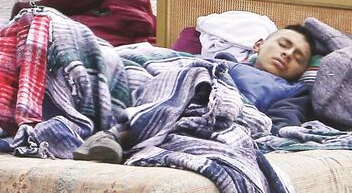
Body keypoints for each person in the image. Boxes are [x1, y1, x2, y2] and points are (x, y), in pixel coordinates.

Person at [74, 25, 316, 162]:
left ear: (301, 72)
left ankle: (114, 137)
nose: (287, 54)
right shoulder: (223, 61)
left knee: (192, 97)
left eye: (298, 58)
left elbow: (281, 125)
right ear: (259, 45)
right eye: (284, 45)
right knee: (108, 60)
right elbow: (179, 66)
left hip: (222, 109)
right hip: (180, 85)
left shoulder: (292, 91)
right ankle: (88, 124)